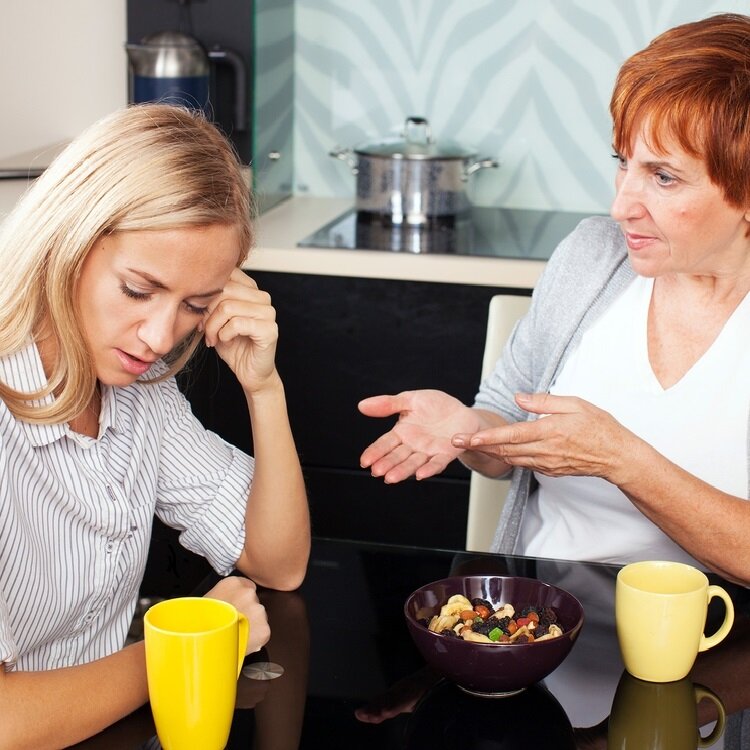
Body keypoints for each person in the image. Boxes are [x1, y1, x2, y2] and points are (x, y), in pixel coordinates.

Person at [359, 13, 750, 586]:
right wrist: (468, 428)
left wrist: (623, 460)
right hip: (539, 632)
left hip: (720, 650)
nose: (622, 205)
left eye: (663, 177)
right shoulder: (591, 256)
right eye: (624, 162)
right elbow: (504, 432)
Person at [0, 103, 310, 749]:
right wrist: (195, 647)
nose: (161, 336)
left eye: (196, 305)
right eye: (139, 290)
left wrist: (264, 388)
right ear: (67, 240)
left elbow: (277, 564)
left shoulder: (140, 392)